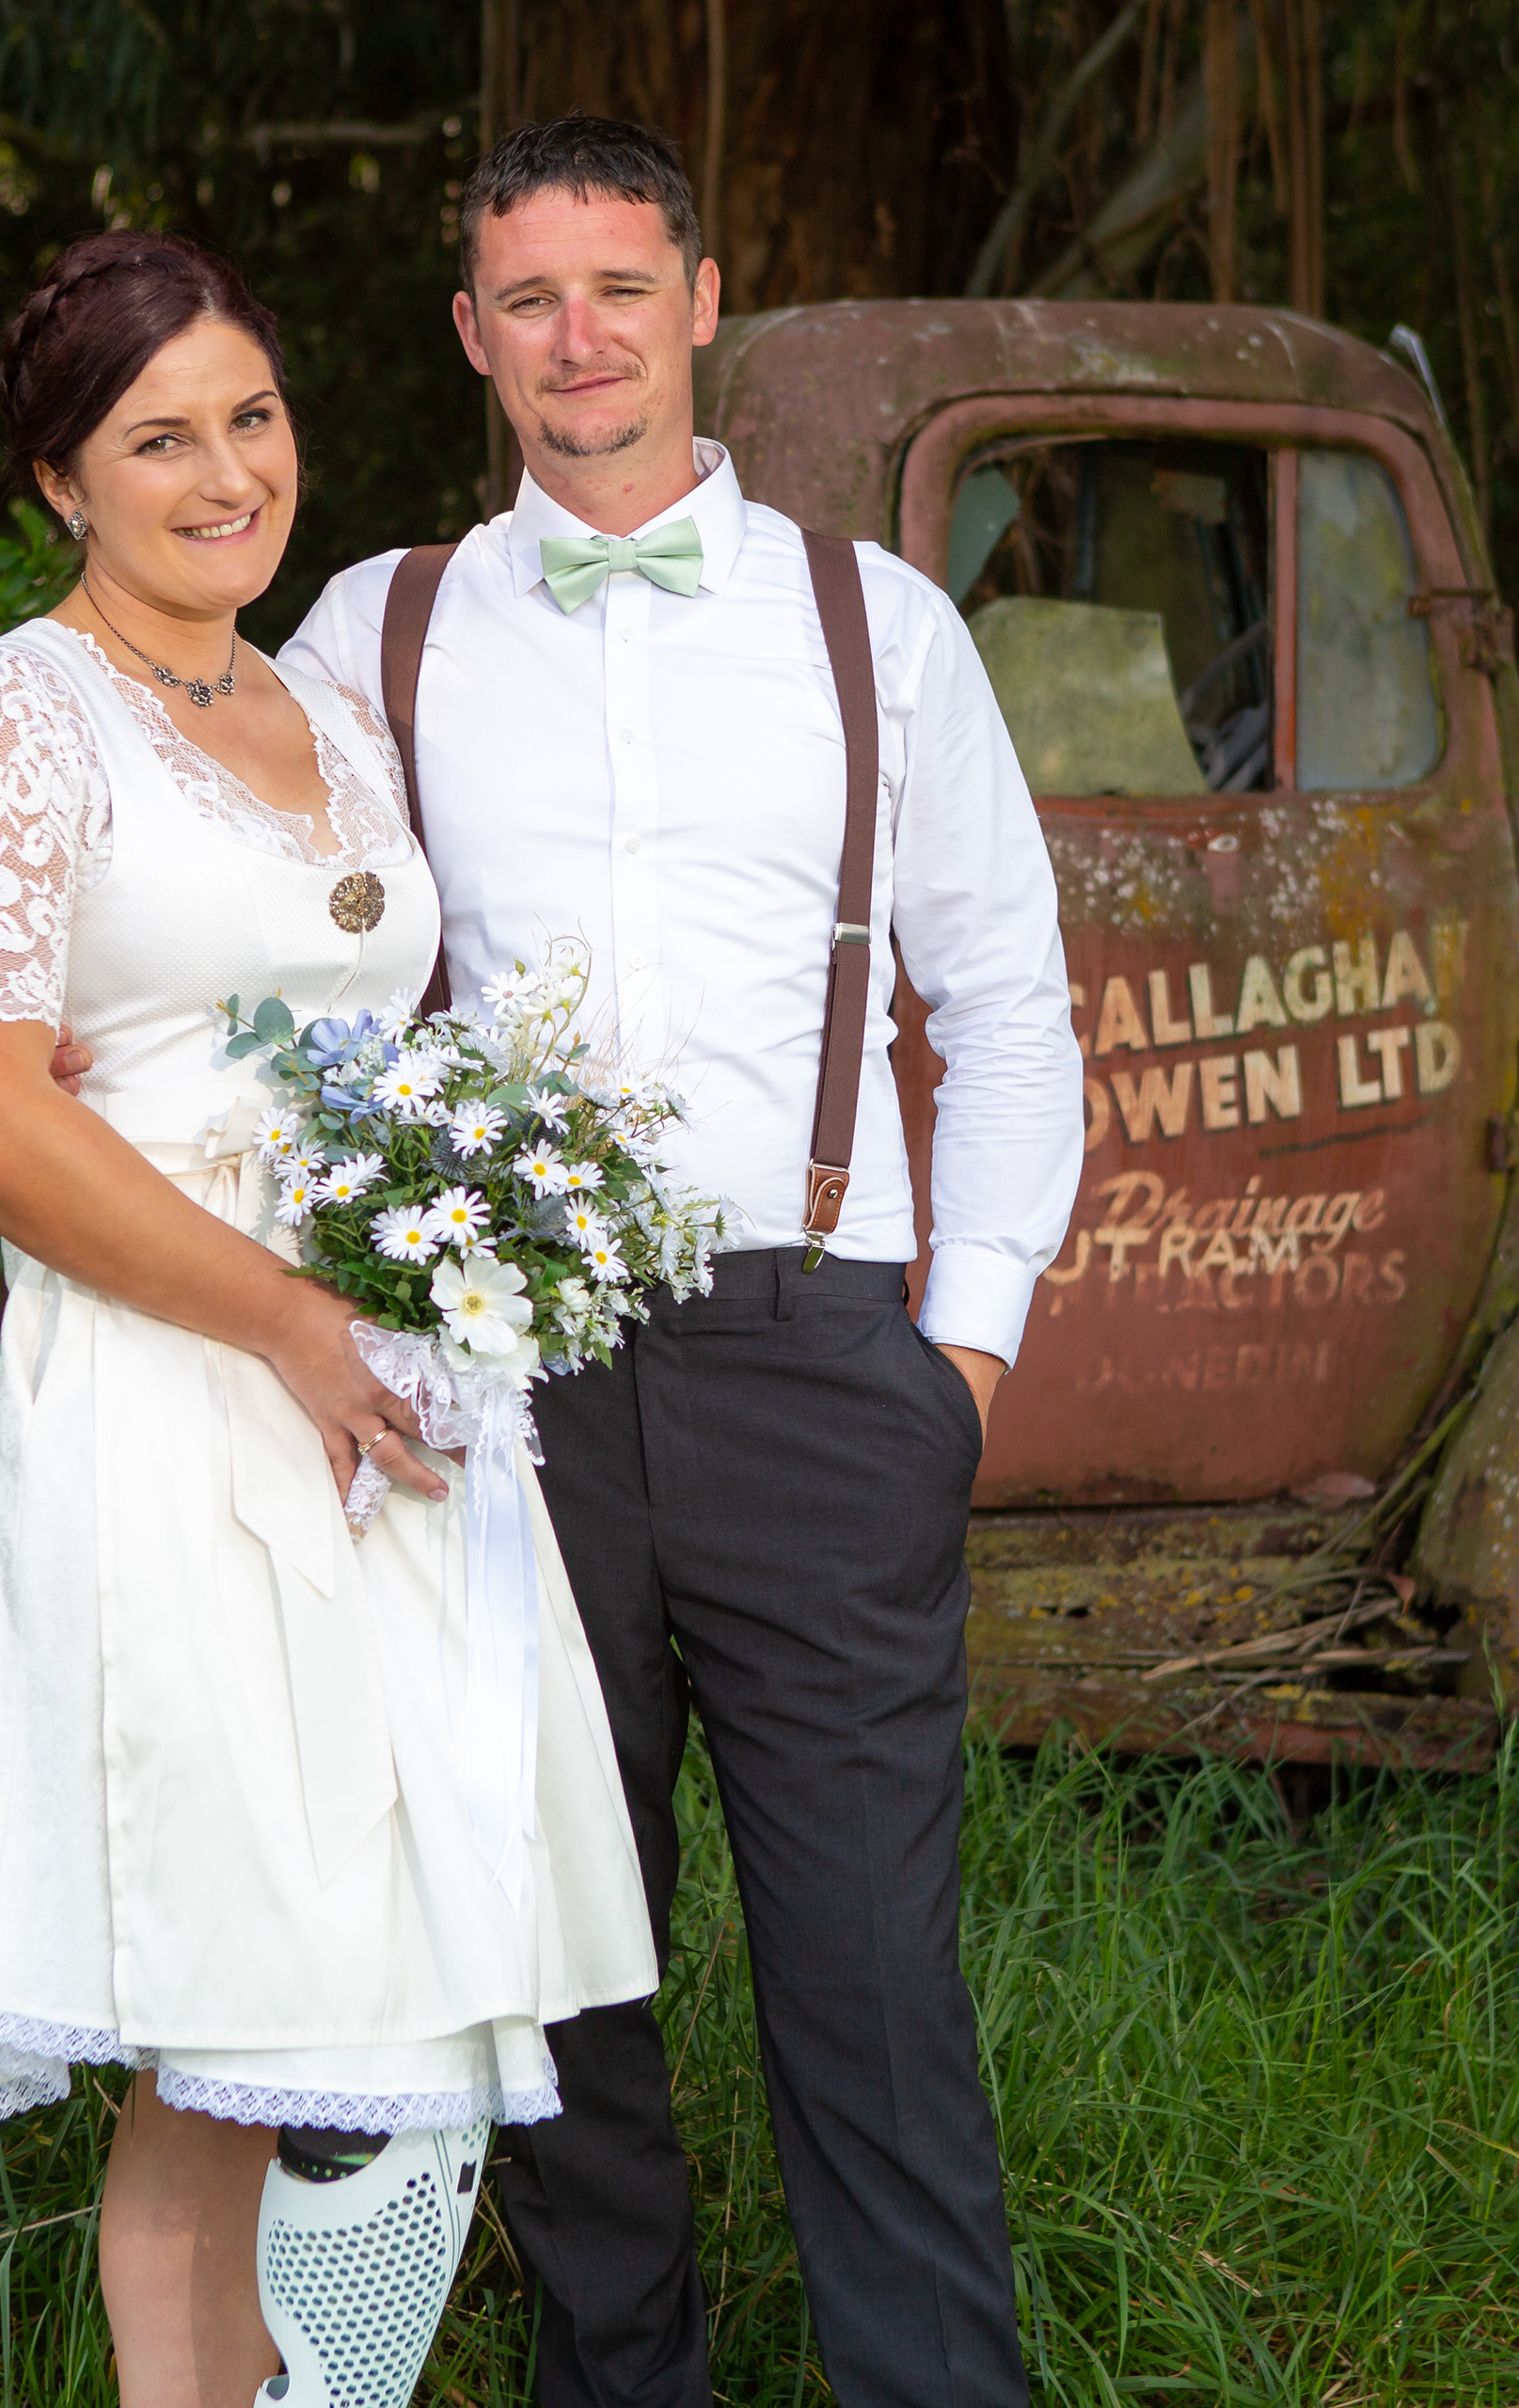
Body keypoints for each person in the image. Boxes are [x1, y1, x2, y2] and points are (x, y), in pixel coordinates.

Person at [280, 116, 1085, 2408]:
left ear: (703, 300)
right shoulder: (382, 626)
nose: (580, 340)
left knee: (868, 1976)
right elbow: (288, 997)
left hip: (826, 1355)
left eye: (620, 288)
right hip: (509, 1389)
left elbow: (1010, 1015)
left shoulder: (876, 625)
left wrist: (962, 1361)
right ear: (471, 335)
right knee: (557, 1973)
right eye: (528, 299)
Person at [0, 228, 657, 2408]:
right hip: (181, 1388)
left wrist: (450, 1253)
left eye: (253, 414)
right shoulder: (5, 714)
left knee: (355, 1994)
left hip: (384, 1408)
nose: (226, 472)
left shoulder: (318, 695)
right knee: (250, 2004)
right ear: (60, 479)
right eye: (159, 438)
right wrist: (295, 1323)